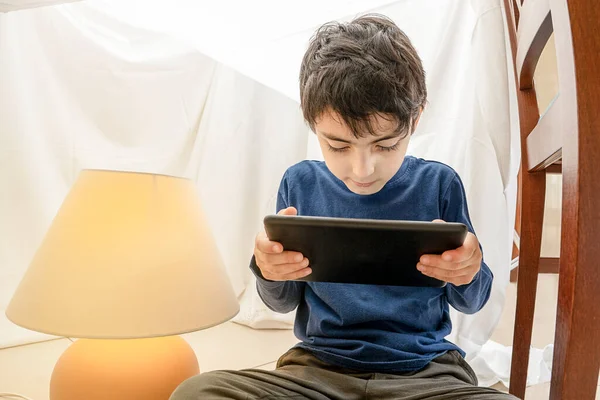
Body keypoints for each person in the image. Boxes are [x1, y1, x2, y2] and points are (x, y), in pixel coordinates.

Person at [171, 14, 517, 400]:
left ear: (414, 120)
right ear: (312, 124)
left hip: (426, 374)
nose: (362, 170)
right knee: (197, 392)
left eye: (385, 145)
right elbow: (282, 301)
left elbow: (471, 300)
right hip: (317, 369)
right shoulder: (299, 184)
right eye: (337, 146)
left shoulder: (439, 184)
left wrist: (469, 270)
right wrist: (270, 271)